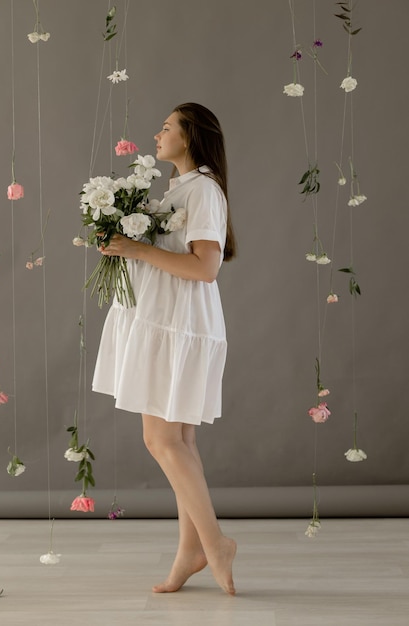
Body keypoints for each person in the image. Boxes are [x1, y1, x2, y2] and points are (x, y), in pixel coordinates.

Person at [92, 102, 237, 595]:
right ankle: (190, 551)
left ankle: (214, 543)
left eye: (167, 127)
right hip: (166, 322)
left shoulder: (205, 191)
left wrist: (136, 249)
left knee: (162, 441)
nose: (157, 135)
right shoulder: (180, 189)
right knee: (181, 442)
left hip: (180, 326)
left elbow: (205, 268)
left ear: (190, 135)